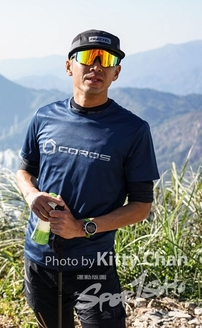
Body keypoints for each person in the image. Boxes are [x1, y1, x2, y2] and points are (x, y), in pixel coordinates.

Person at [16, 29, 160, 328]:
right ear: (69, 66)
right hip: (39, 258)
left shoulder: (133, 129)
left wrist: (82, 228)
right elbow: (24, 170)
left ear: (116, 72)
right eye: (87, 57)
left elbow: (141, 206)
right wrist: (31, 194)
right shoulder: (44, 117)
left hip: (93, 264)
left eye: (106, 60)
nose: (96, 66)